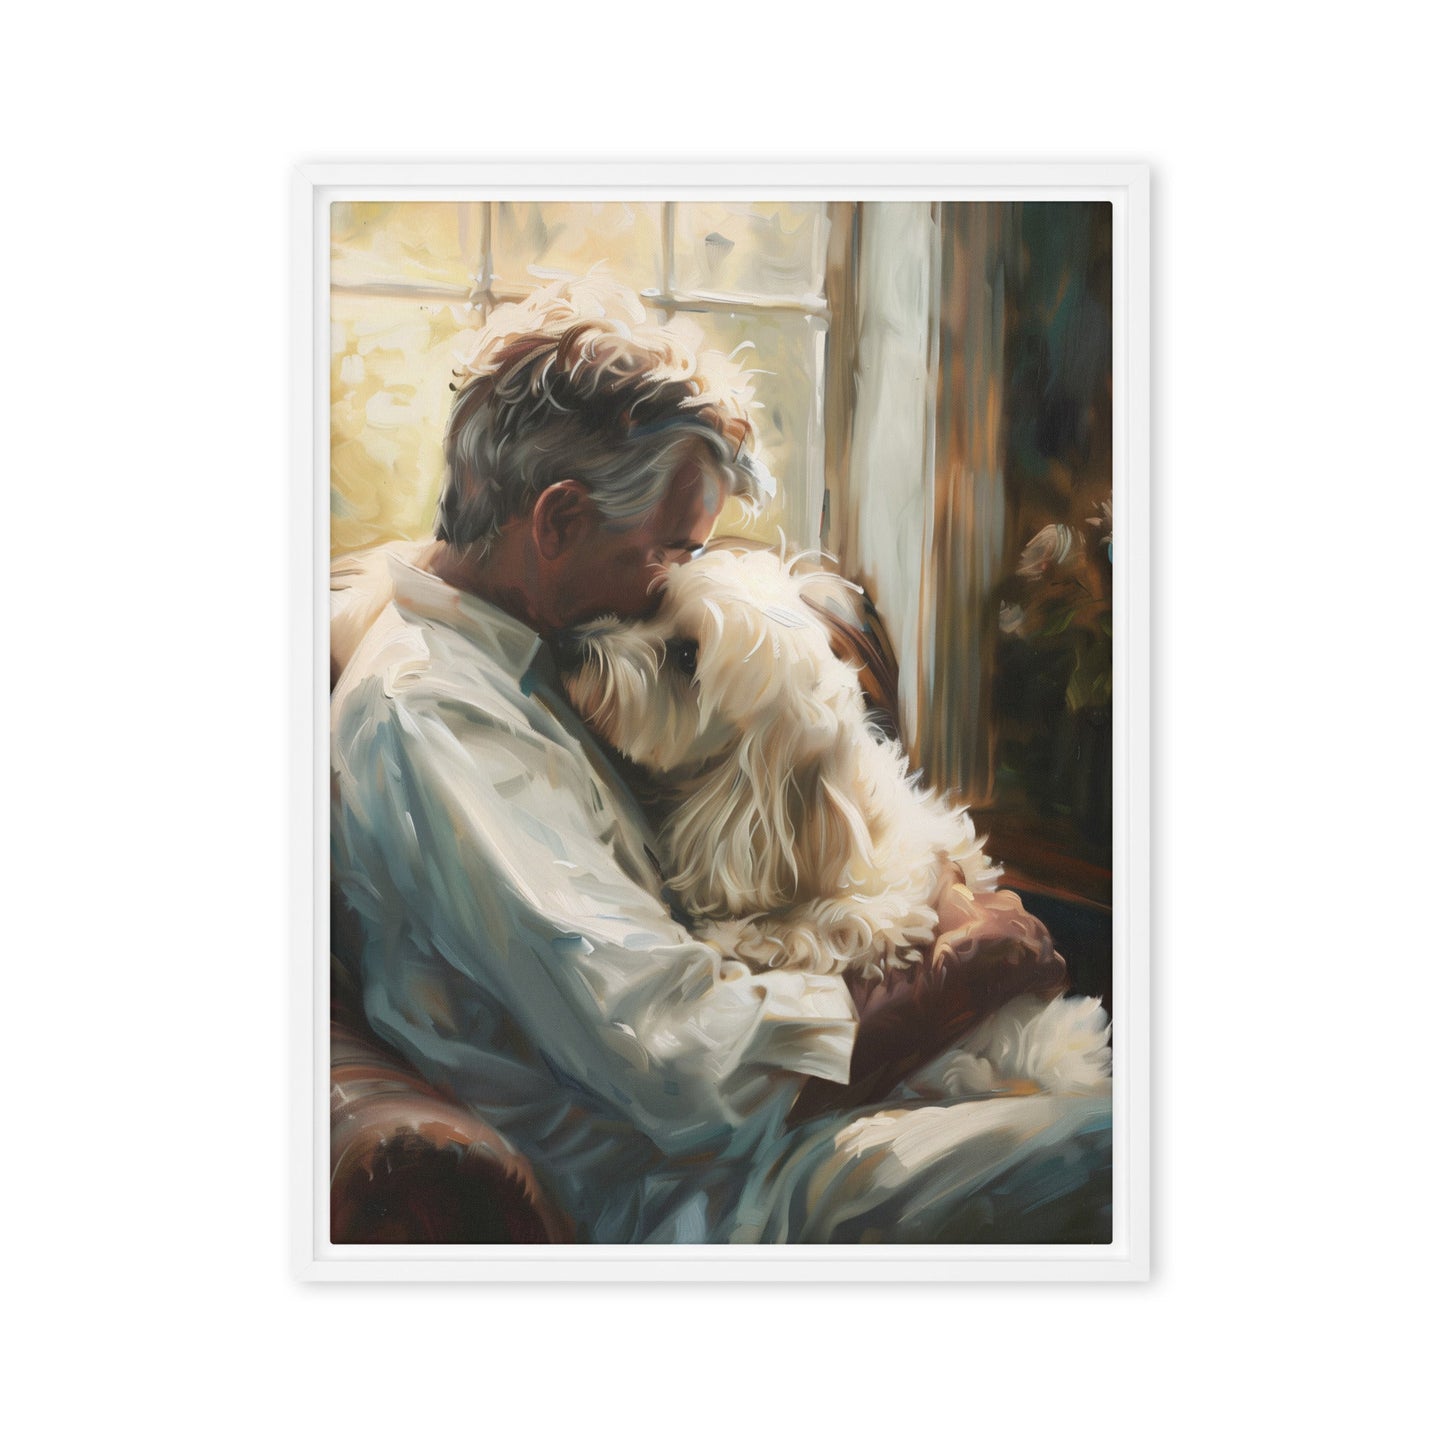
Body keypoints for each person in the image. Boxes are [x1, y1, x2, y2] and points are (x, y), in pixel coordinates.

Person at [331, 276, 1111, 1244]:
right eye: (669, 550)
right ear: (558, 520)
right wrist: (952, 980)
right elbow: (677, 1057)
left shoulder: (533, 645)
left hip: (782, 1125)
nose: (680, 580)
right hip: (689, 1185)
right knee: (1119, 1147)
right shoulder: (435, 718)